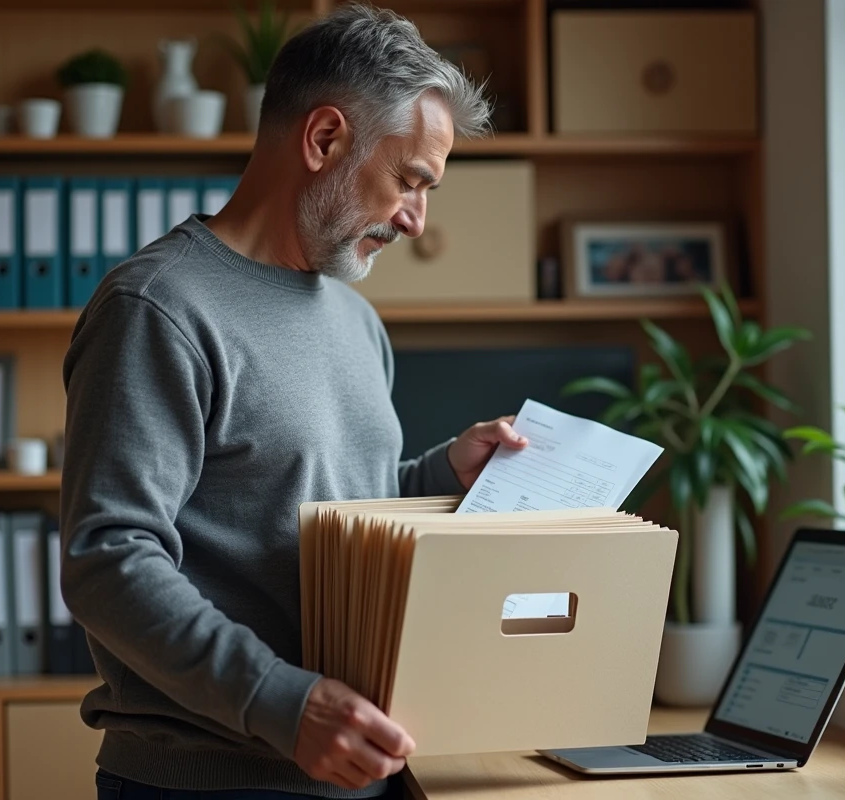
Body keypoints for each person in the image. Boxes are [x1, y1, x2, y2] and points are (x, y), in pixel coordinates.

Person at [59, 5, 526, 799]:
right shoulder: (159, 307)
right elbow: (109, 560)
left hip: (364, 770)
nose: (417, 218)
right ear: (324, 140)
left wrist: (443, 472)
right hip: (211, 783)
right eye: (410, 181)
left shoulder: (354, 317)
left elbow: (337, 512)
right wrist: (283, 703)